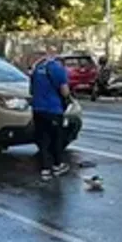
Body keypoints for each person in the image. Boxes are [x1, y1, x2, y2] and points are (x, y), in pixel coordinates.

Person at [30, 48, 71, 180]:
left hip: (37, 109)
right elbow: (65, 91)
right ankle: (57, 165)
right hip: (53, 109)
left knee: (43, 140)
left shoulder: (37, 68)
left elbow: (32, 90)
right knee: (56, 139)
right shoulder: (58, 69)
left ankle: (45, 169)